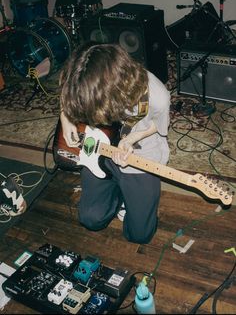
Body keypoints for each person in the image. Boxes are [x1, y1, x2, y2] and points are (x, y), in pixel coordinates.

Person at [59, 42, 170, 244]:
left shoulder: (158, 96)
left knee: (140, 235)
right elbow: (69, 90)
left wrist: (131, 139)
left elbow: (158, 126)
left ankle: (129, 194)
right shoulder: (85, 73)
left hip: (140, 152)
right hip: (99, 149)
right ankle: (119, 194)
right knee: (91, 219)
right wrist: (65, 119)